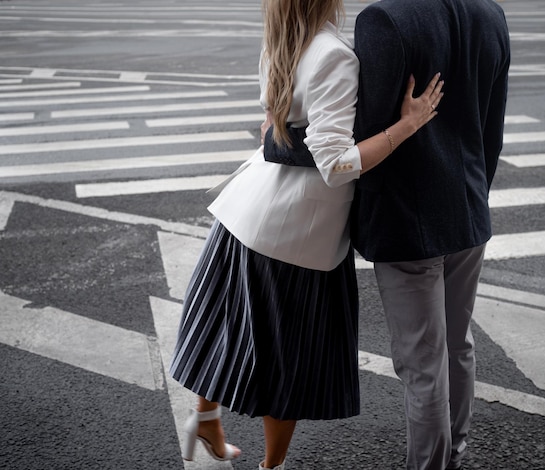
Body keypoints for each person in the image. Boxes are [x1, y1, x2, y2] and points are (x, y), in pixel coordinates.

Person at [168, 0, 444, 468]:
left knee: (229, 327)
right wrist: (408, 124)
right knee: (285, 361)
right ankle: (270, 467)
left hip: (247, 210)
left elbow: (270, 129)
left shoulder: (283, 43)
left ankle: (207, 418)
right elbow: (336, 164)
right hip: (294, 235)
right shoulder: (334, 55)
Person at [349, 1, 511, 469]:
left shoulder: (384, 19)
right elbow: (492, 129)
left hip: (406, 220)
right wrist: (473, 194)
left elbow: (369, 131)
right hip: (469, 210)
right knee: (457, 345)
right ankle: (454, 452)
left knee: (422, 367)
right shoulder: (490, 13)